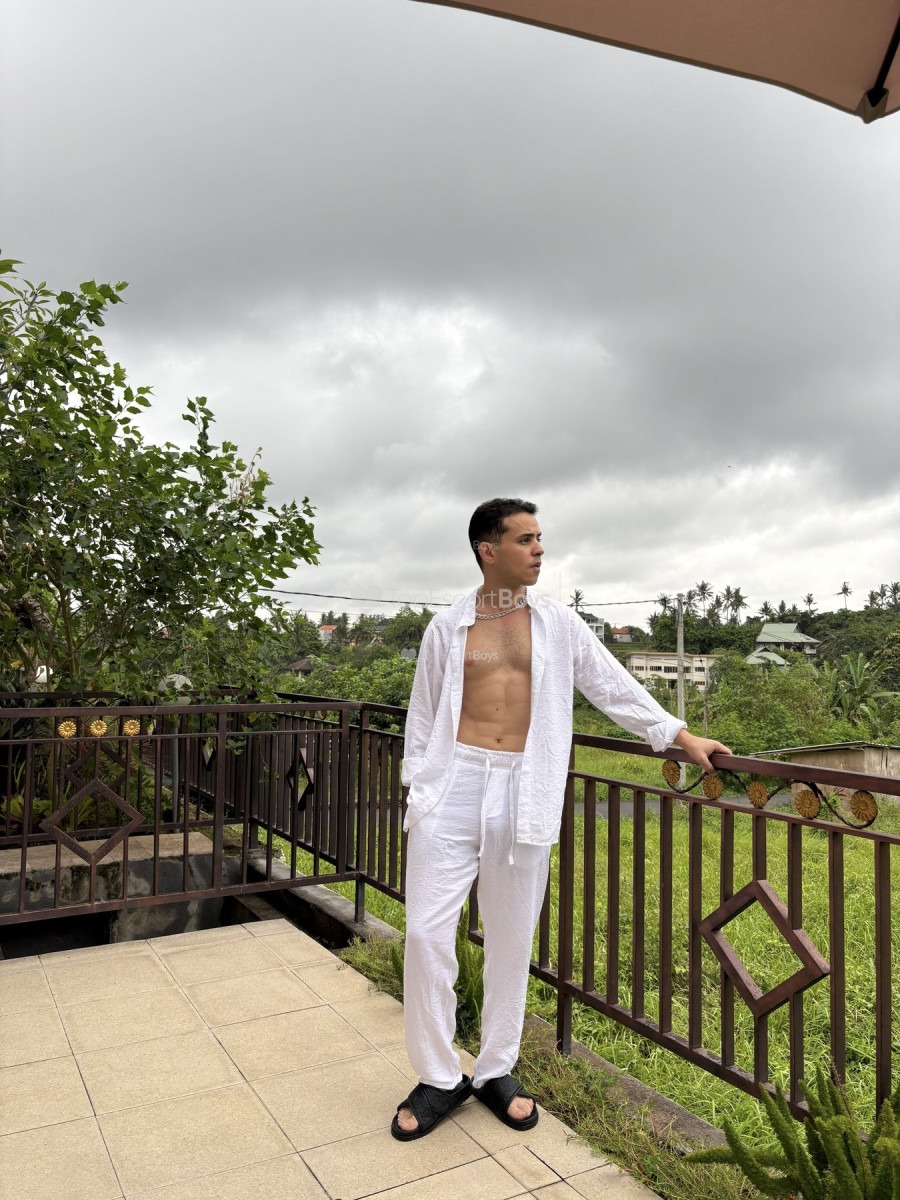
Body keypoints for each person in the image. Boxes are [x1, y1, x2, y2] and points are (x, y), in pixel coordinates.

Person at [391, 497, 731, 1140]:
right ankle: (438, 1075)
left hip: (524, 788)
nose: (539, 549)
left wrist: (678, 735)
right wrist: (419, 784)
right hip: (453, 784)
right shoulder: (447, 627)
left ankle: (495, 1069)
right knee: (426, 934)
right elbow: (424, 712)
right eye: (525, 539)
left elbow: (612, 686)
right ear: (488, 550)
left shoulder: (558, 625)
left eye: (540, 537)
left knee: (511, 938)